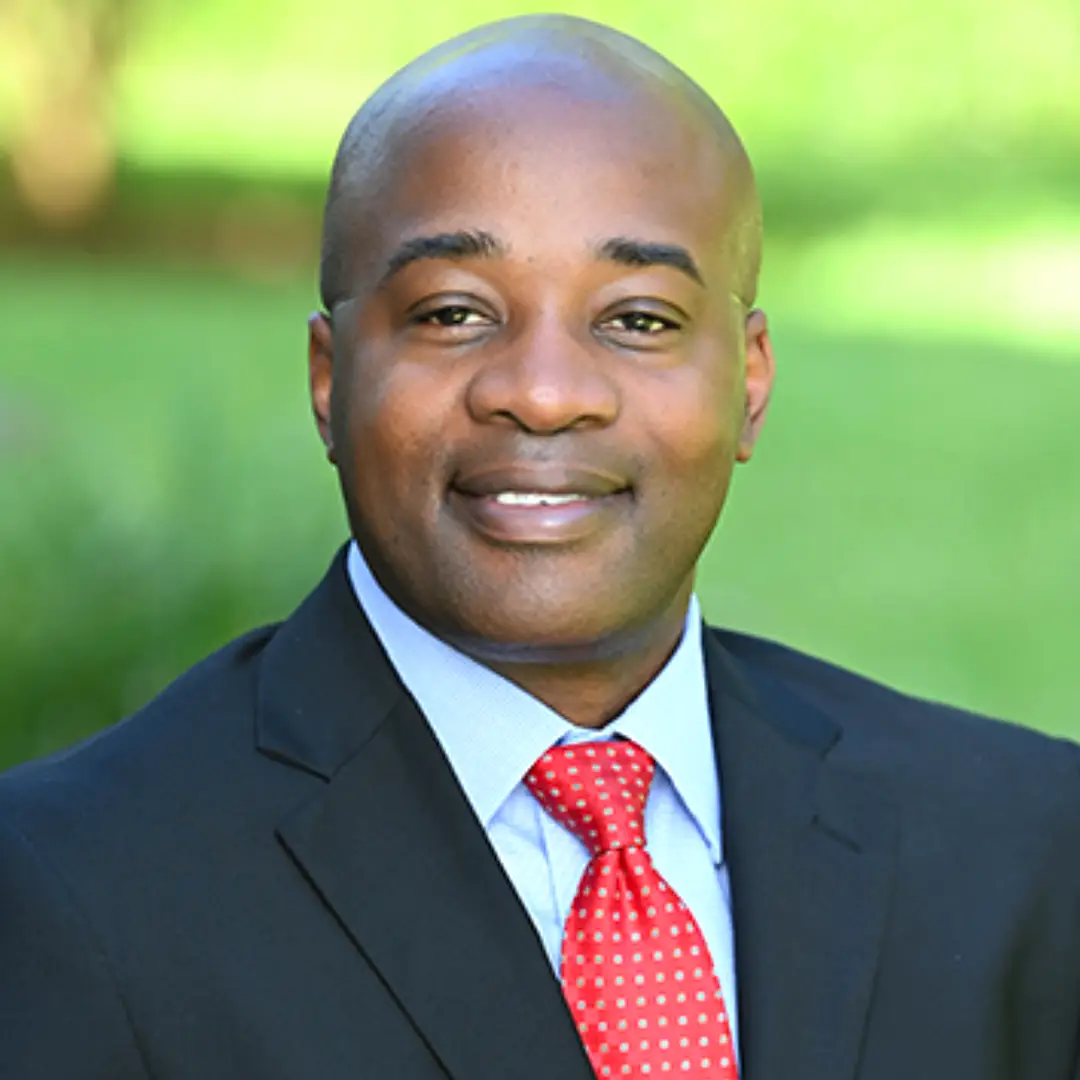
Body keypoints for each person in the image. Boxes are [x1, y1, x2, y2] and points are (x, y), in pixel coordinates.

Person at [1, 14, 1078, 1080]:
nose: (546, 393)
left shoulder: (1026, 850)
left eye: (640, 319)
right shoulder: (73, 889)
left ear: (749, 383)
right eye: (455, 313)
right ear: (331, 382)